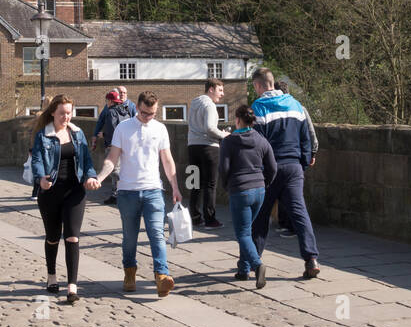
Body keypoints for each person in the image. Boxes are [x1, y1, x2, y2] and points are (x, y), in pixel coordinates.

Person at [93, 91, 181, 297]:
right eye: (144, 113)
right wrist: (100, 177)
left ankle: (162, 276)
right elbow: (112, 158)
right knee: (129, 237)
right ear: (137, 107)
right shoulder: (123, 128)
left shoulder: (160, 129)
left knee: (157, 234)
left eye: (152, 113)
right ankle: (129, 274)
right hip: (127, 191)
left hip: (154, 190)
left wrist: (175, 187)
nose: (148, 117)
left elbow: (167, 160)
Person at [249, 69, 321, 279]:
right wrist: (303, 162)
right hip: (293, 167)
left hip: (269, 170)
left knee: (260, 216)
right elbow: (306, 137)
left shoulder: (258, 108)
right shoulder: (296, 105)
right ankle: (311, 259)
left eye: (255, 87)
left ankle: (253, 262)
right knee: (299, 214)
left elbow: (257, 144)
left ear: (260, 86)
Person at [30, 94, 100, 304]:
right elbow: (37, 160)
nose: (66, 117)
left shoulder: (78, 134)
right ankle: (52, 276)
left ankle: (72, 286)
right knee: (53, 236)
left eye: (69, 113)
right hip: (50, 191)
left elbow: (87, 161)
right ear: (53, 112)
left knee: (72, 236)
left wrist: (91, 176)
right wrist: (41, 179)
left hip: (75, 191)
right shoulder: (44, 135)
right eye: (62, 113)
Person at [220, 104, 277, 287]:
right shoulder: (261, 140)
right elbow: (273, 167)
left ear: (237, 120)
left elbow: (224, 168)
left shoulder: (229, 141)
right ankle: (243, 269)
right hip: (259, 190)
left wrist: (226, 185)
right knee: (248, 230)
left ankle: (257, 265)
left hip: (240, 190)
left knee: (243, 233)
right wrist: (265, 183)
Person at [273, 81, 318, 236]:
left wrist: (312, 152)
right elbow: (311, 133)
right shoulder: (298, 106)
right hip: (296, 155)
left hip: (291, 156)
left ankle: (291, 226)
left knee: (291, 196)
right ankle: (285, 223)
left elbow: (309, 132)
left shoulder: (293, 107)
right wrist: (312, 152)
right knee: (288, 193)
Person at [186, 78, 229, 228]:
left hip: (193, 146)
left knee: (195, 183)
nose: (222, 94)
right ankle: (210, 219)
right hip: (209, 148)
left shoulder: (194, 103)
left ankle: (195, 217)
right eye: (220, 90)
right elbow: (210, 128)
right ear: (211, 89)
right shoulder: (210, 105)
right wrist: (223, 135)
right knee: (210, 184)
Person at [91, 89, 134, 206]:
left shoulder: (111, 112)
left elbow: (112, 129)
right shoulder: (126, 111)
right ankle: (119, 193)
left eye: (107, 101)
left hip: (114, 145)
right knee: (121, 169)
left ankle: (119, 194)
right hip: (127, 144)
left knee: (114, 170)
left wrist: (103, 135)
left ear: (110, 101)